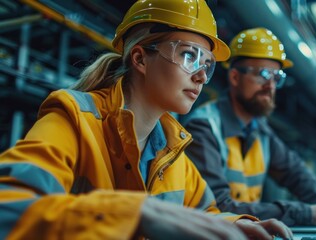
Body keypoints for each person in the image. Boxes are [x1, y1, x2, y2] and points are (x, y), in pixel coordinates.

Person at [0, 2, 294, 239]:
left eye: (207, 64)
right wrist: (132, 213)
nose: (202, 76)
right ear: (140, 59)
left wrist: (237, 224)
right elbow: (8, 207)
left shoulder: (171, 151)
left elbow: (206, 214)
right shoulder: (74, 120)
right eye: (190, 56)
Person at [183, 27, 316, 227]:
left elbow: (295, 173)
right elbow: (218, 207)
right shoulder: (204, 127)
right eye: (263, 74)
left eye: (276, 77)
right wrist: (304, 213)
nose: (270, 85)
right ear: (235, 77)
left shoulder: (260, 131)